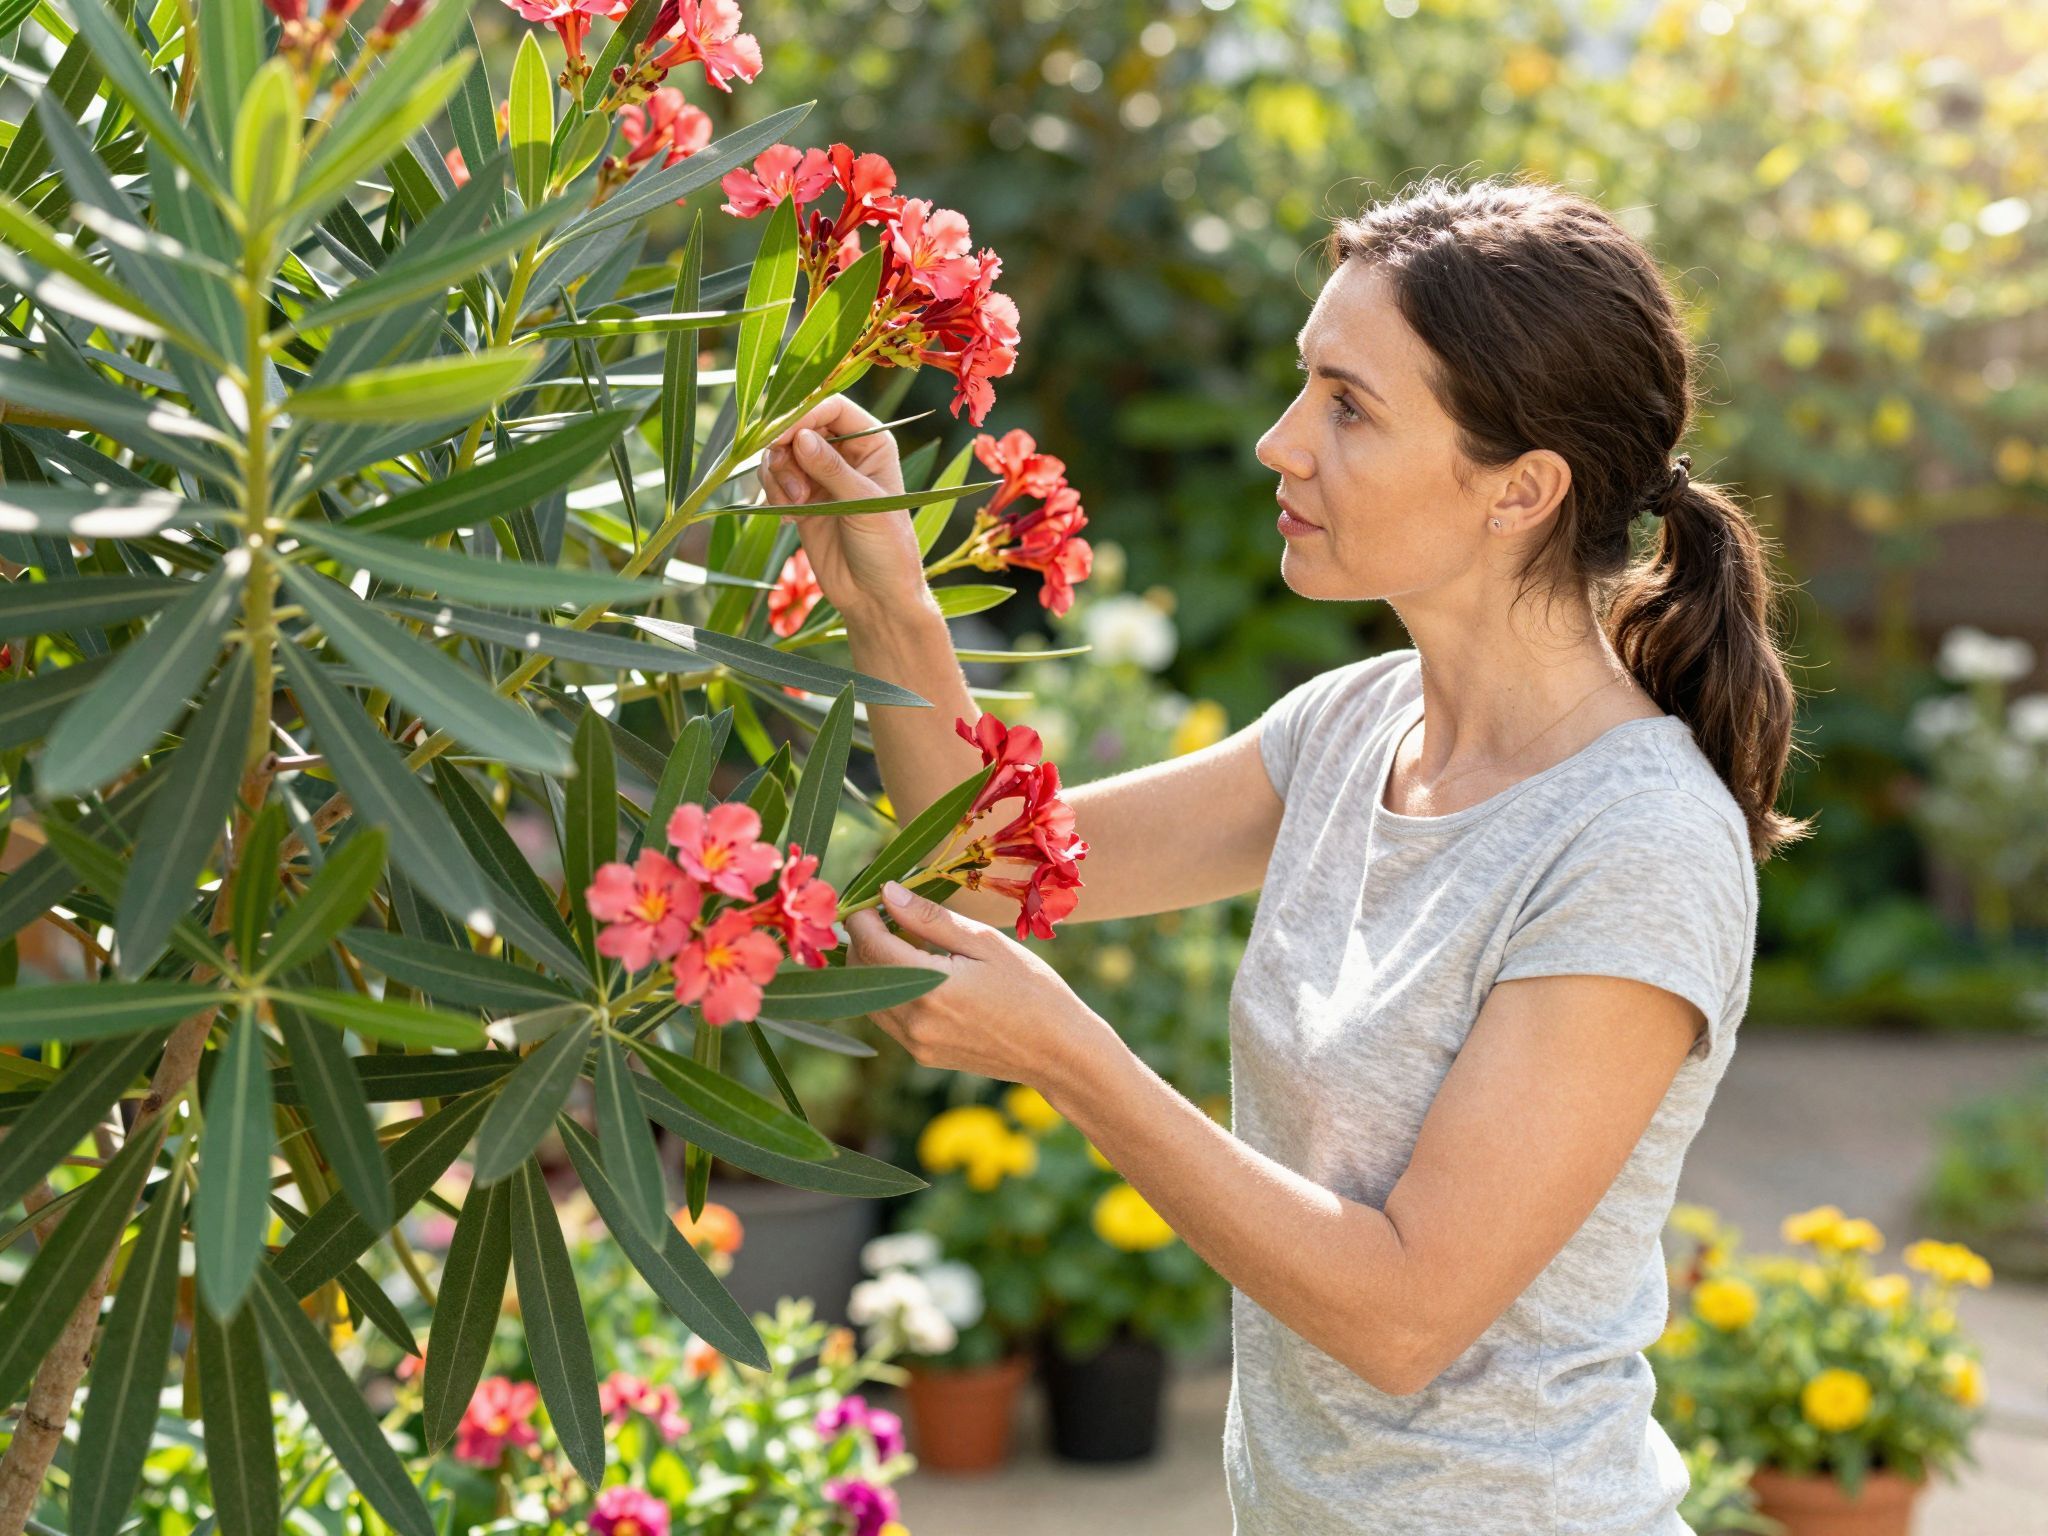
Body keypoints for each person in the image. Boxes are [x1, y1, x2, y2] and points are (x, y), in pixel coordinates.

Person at [756, 171, 1809, 1535]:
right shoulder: (1351, 729)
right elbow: (1001, 867)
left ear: (1522, 488)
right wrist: (890, 599)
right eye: (1305, 383)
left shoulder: (1637, 843)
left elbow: (1406, 1313)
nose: (1279, 442)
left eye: (1349, 406)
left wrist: (1071, 1058)